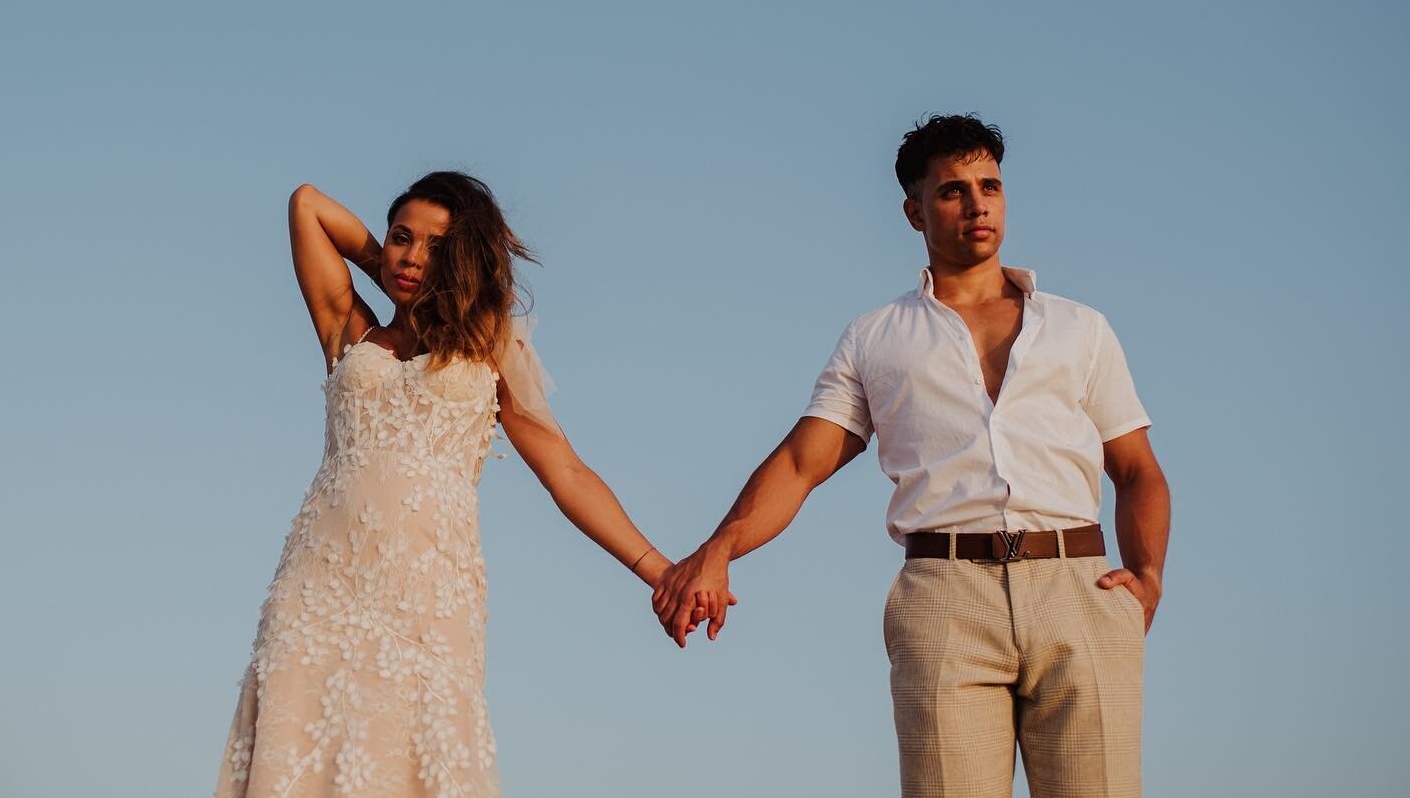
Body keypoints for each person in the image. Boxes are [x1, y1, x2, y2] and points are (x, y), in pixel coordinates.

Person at [653, 114, 1170, 798]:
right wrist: (720, 546)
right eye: (954, 190)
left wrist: (1149, 577)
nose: (978, 202)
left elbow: (1137, 471)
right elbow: (801, 464)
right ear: (914, 211)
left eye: (991, 185)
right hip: (945, 596)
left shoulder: (1081, 328)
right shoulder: (876, 338)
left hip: (1078, 587)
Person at [215, 172, 675, 798]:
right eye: (402, 238)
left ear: (464, 262)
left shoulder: (490, 349)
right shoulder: (351, 330)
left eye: (438, 247)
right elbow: (307, 205)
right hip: (316, 595)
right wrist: (392, 268)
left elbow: (565, 471)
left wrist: (658, 570)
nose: (412, 255)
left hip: (426, 604)